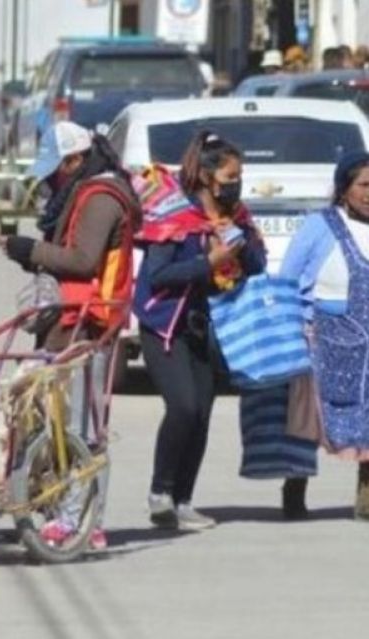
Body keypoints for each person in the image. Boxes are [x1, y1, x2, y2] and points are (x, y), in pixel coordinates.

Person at [2, 122, 140, 550]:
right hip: (71, 319)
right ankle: (80, 515)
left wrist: (31, 251)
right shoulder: (83, 191)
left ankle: (81, 518)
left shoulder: (100, 198)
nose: (49, 180)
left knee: (83, 426)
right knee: (69, 420)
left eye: (55, 169)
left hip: (90, 321)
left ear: (76, 160)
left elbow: (82, 260)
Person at [134, 131, 266, 530]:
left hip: (211, 329)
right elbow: (159, 276)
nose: (235, 183)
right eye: (229, 176)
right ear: (208, 177)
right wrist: (210, 261)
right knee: (183, 408)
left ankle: (183, 500)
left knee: (202, 415)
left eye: (238, 176)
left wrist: (239, 245)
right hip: (165, 326)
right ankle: (160, 493)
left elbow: (258, 266)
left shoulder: (238, 216)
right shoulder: (177, 216)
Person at [279, 151, 369, 520]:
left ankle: (366, 498)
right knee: (310, 419)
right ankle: (295, 486)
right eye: (363, 185)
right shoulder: (321, 226)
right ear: (343, 188)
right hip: (322, 340)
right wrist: (293, 325)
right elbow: (288, 277)